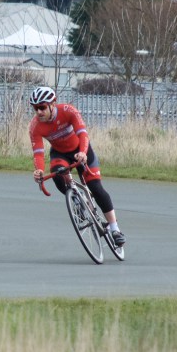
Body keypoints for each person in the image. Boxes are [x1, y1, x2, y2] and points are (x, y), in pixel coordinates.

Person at [28, 86, 127, 247]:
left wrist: (82, 152)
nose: (38, 112)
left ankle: (115, 229)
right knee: (58, 176)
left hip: (81, 149)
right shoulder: (35, 127)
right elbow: (38, 153)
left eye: (42, 107)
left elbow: (83, 134)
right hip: (60, 154)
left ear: (53, 104)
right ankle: (78, 203)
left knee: (96, 188)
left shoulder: (68, 111)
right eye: (35, 108)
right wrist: (39, 170)